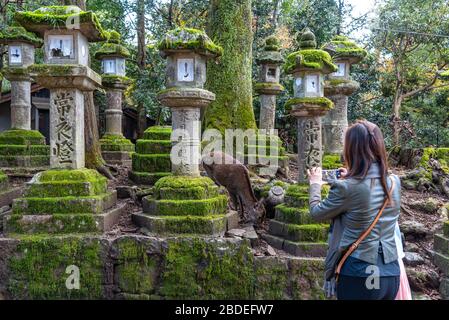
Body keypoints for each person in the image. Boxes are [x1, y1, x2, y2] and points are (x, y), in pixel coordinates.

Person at [307, 120, 401, 300]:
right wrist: (351, 175)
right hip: (390, 273)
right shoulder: (395, 182)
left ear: (352, 148)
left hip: (360, 273)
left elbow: (316, 212)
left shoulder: (347, 187)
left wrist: (315, 184)